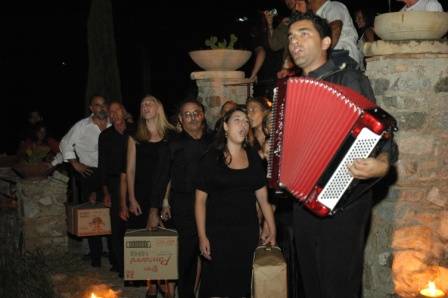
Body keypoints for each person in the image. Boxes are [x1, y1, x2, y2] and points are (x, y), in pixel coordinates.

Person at [287, 12, 397, 297]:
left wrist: (382, 165)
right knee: (312, 284)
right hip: (302, 202)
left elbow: (383, 135)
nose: (294, 41)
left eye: (303, 34)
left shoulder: (349, 78)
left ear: (326, 42)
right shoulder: (290, 90)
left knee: (339, 286)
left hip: (345, 199)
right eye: (290, 37)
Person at [195, 106, 276, 298]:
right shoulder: (211, 158)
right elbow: (199, 200)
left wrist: (272, 229)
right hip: (217, 233)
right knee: (217, 286)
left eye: (246, 121)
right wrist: (202, 235)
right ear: (225, 126)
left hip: (246, 233)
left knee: (241, 286)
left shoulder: (253, 157)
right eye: (237, 120)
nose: (243, 124)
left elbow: (263, 198)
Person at [124, 95, 174, 297]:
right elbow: (130, 169)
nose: (145, 106)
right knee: (146, 243)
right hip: (142, 193)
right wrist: (132, 198)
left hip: (165, 192)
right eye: (142, 104)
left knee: (164, 242)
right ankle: (151, 285)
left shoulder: (171, 135)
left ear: (158, 107)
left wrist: (166, 199)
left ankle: (167, 286)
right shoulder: (135, 135)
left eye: (149, 103)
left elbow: (172, 172)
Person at [164, 99, 214, 298]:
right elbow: (163, 177)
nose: (192, 117)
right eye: (187, 114)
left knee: (212, 253)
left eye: (196, 113)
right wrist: (159, 205)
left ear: (203, 115)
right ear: (181, 120)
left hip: (212, 205)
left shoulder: (214, 142)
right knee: (186, 255)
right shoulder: (172, 144)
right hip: (183, 206)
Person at [59, 95, 110, 267]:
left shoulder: (113, 123)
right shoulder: (82, 126)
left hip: (110, 174)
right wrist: (74, 163)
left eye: (104, 105)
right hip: (89, 173)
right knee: (92, 215)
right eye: (97, 105)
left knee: (109, 212)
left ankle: (111, 254)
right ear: (91, 108)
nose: (102, 108)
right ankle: (95, 258)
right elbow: (65, 143)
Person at [98, 101, 133, 278]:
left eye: (117, 110)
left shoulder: (134, 132)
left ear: (124, 111)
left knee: (132, 225)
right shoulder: (105, 136)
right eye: (111, 112)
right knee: (117, 228)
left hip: (134, 184)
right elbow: (102, 165)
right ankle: (121, 267)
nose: (114, 114)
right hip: (113, 184)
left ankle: (136, 266)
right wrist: (105, 192)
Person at [308, 0, 362, 70]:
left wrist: (318, 56)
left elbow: (335, 29)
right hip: (336, 58)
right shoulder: (318, 16)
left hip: (342, 56)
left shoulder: (332, 6)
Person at [264, 0, 307, 78]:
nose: (288, 1)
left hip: (309, 66)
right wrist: (270, 24)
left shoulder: (312, 15)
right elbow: (274, 45)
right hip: (292, 70)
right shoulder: (286, 22)